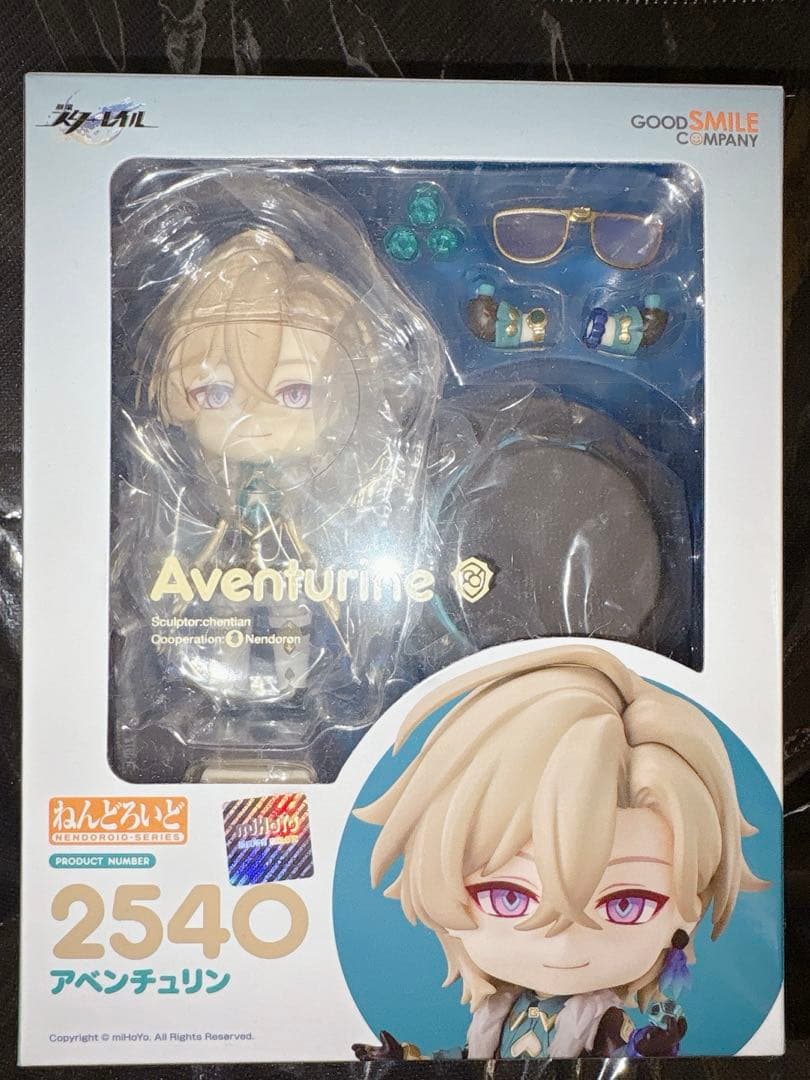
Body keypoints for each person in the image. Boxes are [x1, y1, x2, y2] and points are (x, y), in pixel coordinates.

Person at [352, 643, 767, 1059]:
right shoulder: (498, 1013)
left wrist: (648, 1050)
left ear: (683, 918)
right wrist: (405, 1061)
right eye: (508, 897)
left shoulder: (601, 1020)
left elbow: (621, 1057)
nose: (563, 942)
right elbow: (461, 1062)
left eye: (626, 905)